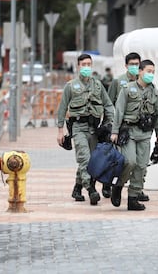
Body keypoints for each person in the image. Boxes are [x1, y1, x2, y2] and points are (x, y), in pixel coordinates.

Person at [57, 53, 114, 206]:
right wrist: (60, 130)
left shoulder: (98, 85)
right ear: (78, 66)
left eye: (89, 64)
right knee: (85, 159)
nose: (87, 67)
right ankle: (91, 190)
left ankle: (77, 188)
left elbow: (108, 105)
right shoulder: (71, 86)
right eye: (84, 65)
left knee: (91, 161)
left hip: (94, 129)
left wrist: (109, 124)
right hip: (78, 128)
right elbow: (62, 108)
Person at [110, 59, 158, 211]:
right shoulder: (127, 89)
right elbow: (119, 111)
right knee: (130, 161)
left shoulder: (154, 91)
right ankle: (119, 185)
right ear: (140, 71)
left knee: (141, 166)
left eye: (153, 72)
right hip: (129, 132)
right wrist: (115, 131)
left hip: (145, 133)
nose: (151, 75)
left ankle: (133, 197)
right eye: (148, 71)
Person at [103, 52, 150, 202]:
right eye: (132, 64)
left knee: (141, 163)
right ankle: (113, 184)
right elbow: (110, 104)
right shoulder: (118, 82)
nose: (135, 67)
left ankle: (137, 189)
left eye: (137, 64)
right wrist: (111, 127)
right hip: (122, 129)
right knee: (126, 161)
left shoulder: (144, 83)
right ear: (126, 66)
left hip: (141, 129)